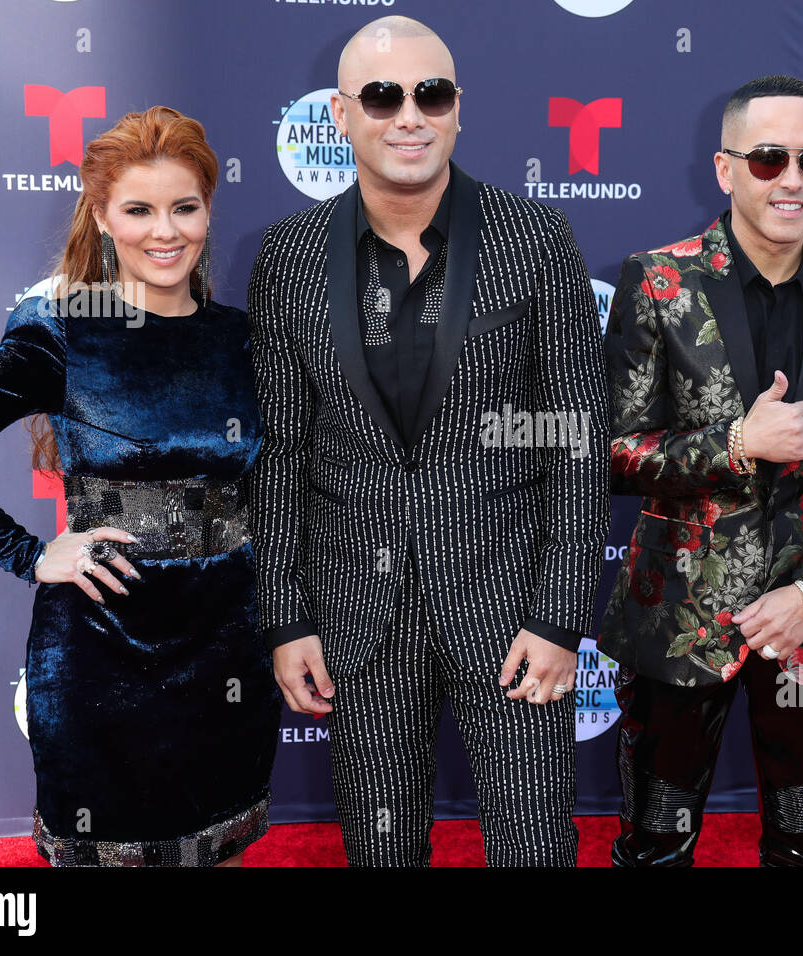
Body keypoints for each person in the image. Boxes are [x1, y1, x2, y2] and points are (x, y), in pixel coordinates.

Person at [248, 16, 609, 867]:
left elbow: (577, 442)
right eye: (382, 96)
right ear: (340, 117)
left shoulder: (536, 239)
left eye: (430, 94)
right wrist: (287, 617)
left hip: (512, 609)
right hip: (356, 611)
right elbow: (282, 451)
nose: (408, 115)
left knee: (533, 847)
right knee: (383, 850)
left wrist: (561, 617)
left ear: (457, 110)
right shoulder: (287, 257)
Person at [0, 106, 281, 866]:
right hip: (103, 645)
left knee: (219, 850)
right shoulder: (64, 330)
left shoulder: (243, 338)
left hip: (228, 640)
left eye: (184, 208)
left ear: (208, 211)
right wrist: (30, 553)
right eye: (138, 209)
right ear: (101, 216)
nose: (164, 232)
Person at [599, 74, 803, 867]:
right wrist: (739, 441)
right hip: (679, 617)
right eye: (770, 158)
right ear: (726, 168)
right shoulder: (658, 283)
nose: (794, 181)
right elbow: (616, 451)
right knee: (657, 844)